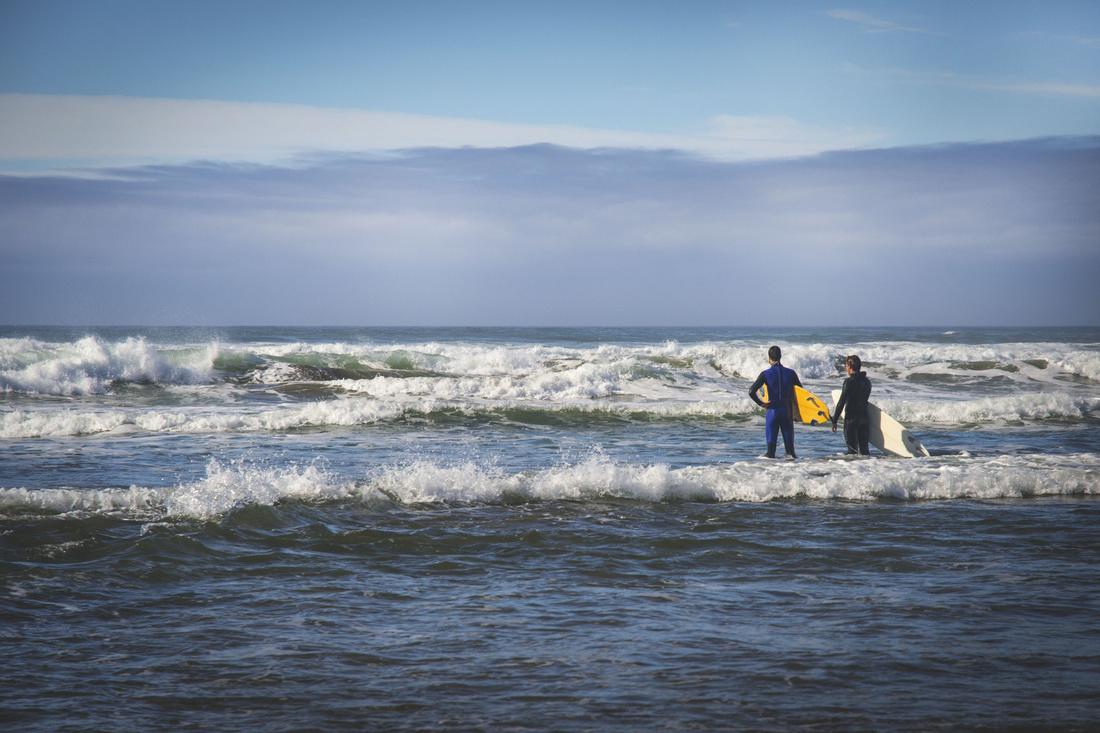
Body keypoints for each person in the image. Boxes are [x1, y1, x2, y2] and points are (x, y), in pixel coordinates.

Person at [749, 345, 802, 459]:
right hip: (787, 413)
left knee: (770, 454)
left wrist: (761, 403)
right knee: (791, 454)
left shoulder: (765, 374)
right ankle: (795, 474)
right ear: (780, 357)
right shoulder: (791, 373)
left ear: (769, 358)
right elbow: (801, 394)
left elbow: (751, 391)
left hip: (772, 412)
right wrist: (799, 413)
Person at [832, 354, 872, 455]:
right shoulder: (867, 382)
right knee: (865, 451)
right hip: (864, 419)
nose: (846, 368)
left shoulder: (848, 382)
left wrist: (834, 420)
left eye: (846, 366)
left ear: (849, 367)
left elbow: (841, 402)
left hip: (851, 420)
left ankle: (854, 469)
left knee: (852, 452)